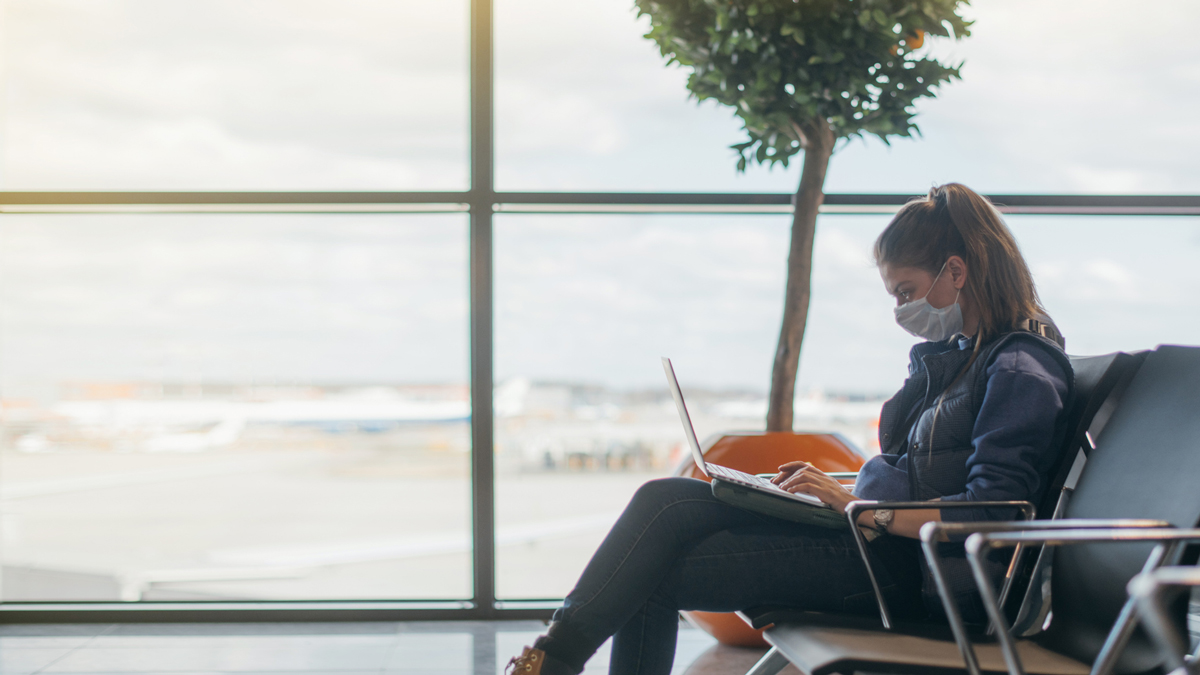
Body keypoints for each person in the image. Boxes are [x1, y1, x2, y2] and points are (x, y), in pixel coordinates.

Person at [505, 183, 1074, 675]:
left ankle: (548, 663)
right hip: (872, 541)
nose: (901, 309)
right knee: (667, 498)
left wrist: (861, 509)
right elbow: (918, 471)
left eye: (905, 291)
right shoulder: (965, 357)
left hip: (909, 576)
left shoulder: (1020, 365)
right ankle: (551, 660)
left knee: (652, 561)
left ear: (956, 270)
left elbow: (994, 513)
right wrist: (840, 495)